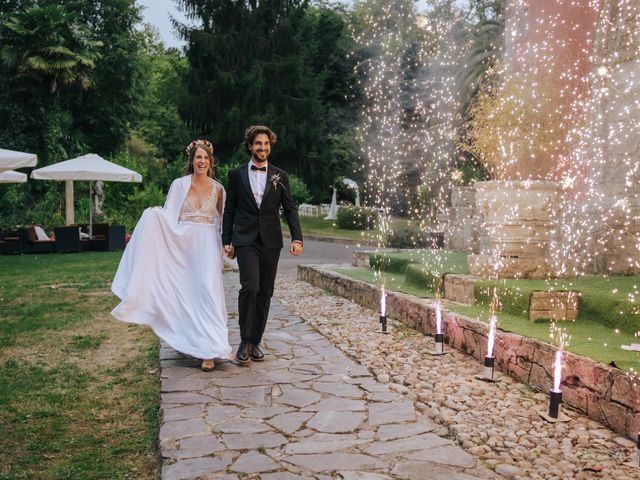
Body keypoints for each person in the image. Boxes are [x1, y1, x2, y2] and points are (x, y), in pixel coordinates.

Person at [111, 140, 231, 371]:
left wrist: (228, 244)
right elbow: (168, 217)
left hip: (207, 245)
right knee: (186, 293)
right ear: (192, 160)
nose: (202, 161)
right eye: (198, 157)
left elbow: (225, 220)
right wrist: (153, 216)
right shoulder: (179, 185)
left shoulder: (218, 189)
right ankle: (190, 341)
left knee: (208, 292)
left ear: (211, 161)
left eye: (205, 158)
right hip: (182, 245)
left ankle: (211, 350)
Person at [222, 125, 303, 365]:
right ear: (250, 146)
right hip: (245, 240)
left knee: (266, 291)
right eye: (258, 144)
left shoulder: (280, 176)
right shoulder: (236, 175)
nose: (263, 148)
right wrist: (226, 240)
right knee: (250, 288)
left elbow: (290, 208)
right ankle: (244, 341)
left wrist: (297, 238)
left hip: (271, 242)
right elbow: (230, 210)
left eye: (266, 144)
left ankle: (256, 341)